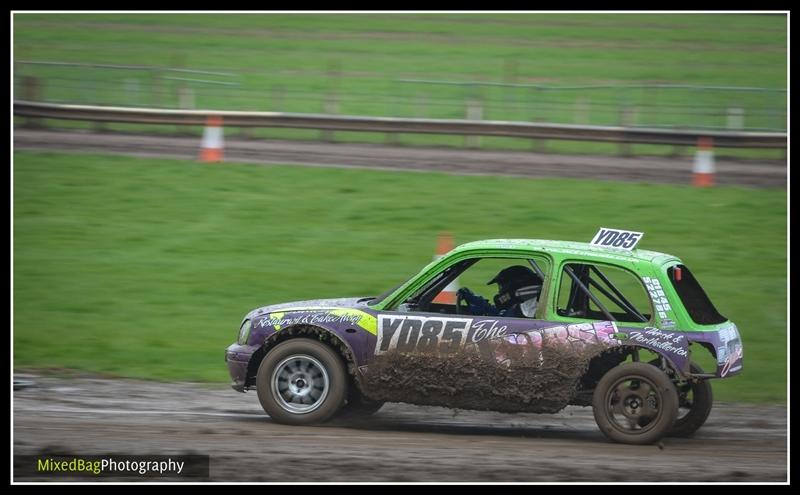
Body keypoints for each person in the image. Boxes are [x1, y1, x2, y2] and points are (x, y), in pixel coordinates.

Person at [457, 265, 543, 318]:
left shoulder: (528, 308)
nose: (499, 291)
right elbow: (497, 312)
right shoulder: (523, 307)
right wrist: (475, 300)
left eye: (500, 286)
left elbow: (499, 314)